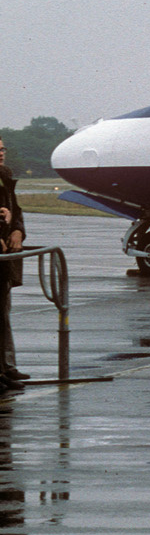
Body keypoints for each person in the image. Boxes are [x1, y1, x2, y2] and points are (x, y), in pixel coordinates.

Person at [0, 140, 24, 389]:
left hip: (5, 260)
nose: (1, 153)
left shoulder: (5, 179)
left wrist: (16, 230)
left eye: (3, 149)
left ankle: (6, 367)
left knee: (3, 313)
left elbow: (16, 212)